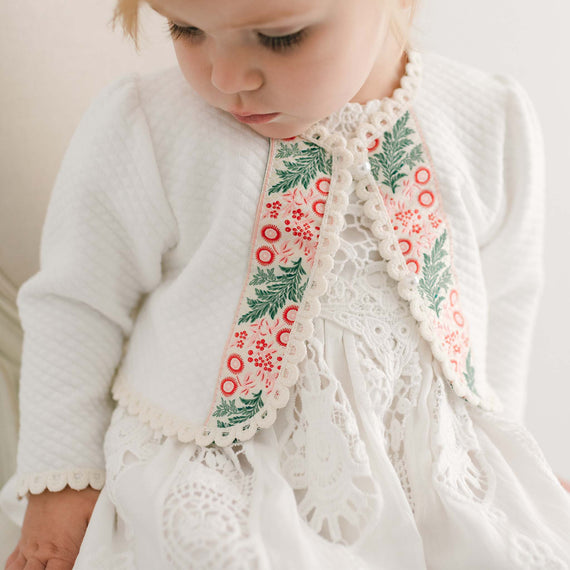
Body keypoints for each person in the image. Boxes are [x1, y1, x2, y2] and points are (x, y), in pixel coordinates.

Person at [2, 0, 570, 567]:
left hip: (433, 475)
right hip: (218, 467)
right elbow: (77, 306)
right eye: (186, 29)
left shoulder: (488, 119)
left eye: (280, 38)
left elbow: (503, 305)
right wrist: (60, 486)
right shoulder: (149, 127)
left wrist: (506, 466)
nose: (227, 78)